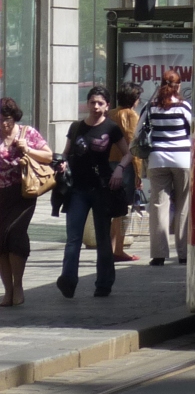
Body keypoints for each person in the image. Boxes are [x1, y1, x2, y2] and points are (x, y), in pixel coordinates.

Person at [57, 86, 130, 299]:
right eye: (92, 102)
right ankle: (68, 281)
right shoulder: (76, 127)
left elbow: (127, 154)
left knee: (103, 238)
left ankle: (104, 284)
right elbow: (66, 153)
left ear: (107, 106)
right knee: (73, 238)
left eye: (100, 103)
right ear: (87, 104)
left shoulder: (111, 128)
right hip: (77, 189)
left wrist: (119, 169)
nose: (96, 106)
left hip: (102, 188)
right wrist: (62, 165)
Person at [0, 98, 52, 307]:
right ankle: (8, 290)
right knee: (0, 241)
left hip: (22, 193)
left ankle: (19, 285)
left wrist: (27, 150)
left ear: (15, 118)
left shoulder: (27, 133)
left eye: (8, 120)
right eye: (1, 120)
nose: (4, 124)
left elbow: (48, 156)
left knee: (15, 235)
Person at [144, 70, 193, 266]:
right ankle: (183, 254)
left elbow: (140, 131)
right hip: (182, 160)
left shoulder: (150, 107)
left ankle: (158, 254)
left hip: (157, 160)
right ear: (178, 86)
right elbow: (194, 132)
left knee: (158, 206)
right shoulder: (183, 107)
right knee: (183, 205)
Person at [109, 82, 143, 262]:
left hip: (108, 163)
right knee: (123, 209)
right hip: (124, 166)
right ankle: (119, 249)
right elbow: (133, 146)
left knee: (112, 208)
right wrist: (138, 173)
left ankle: (110, 247)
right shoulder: (131, 115)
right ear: (134, 99)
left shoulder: (111, 113)